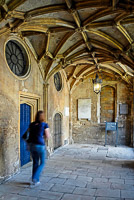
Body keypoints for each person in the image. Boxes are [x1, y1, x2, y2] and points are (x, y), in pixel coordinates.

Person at [27, 110, 50, 187]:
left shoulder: (32, 124)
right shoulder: (44, 125)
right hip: (40, 145)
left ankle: (35, 181)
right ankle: (35, 178)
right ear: (43, 116)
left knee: (35, 162)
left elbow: (29, 134)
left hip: (32, 145)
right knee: (42, 162)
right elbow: (47, 136)